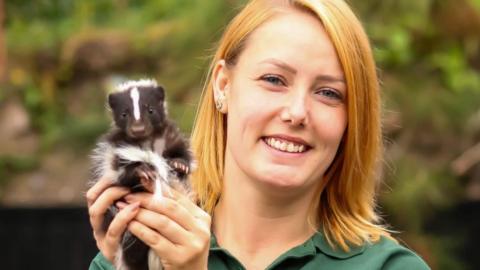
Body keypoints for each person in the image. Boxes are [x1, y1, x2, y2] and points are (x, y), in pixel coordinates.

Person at [87, 0, 431, 269]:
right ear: (223, 86)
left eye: (328, 93)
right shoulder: (138, 255)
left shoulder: (389, 267)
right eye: (274, 80)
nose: (297, 112)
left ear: (351, 120)